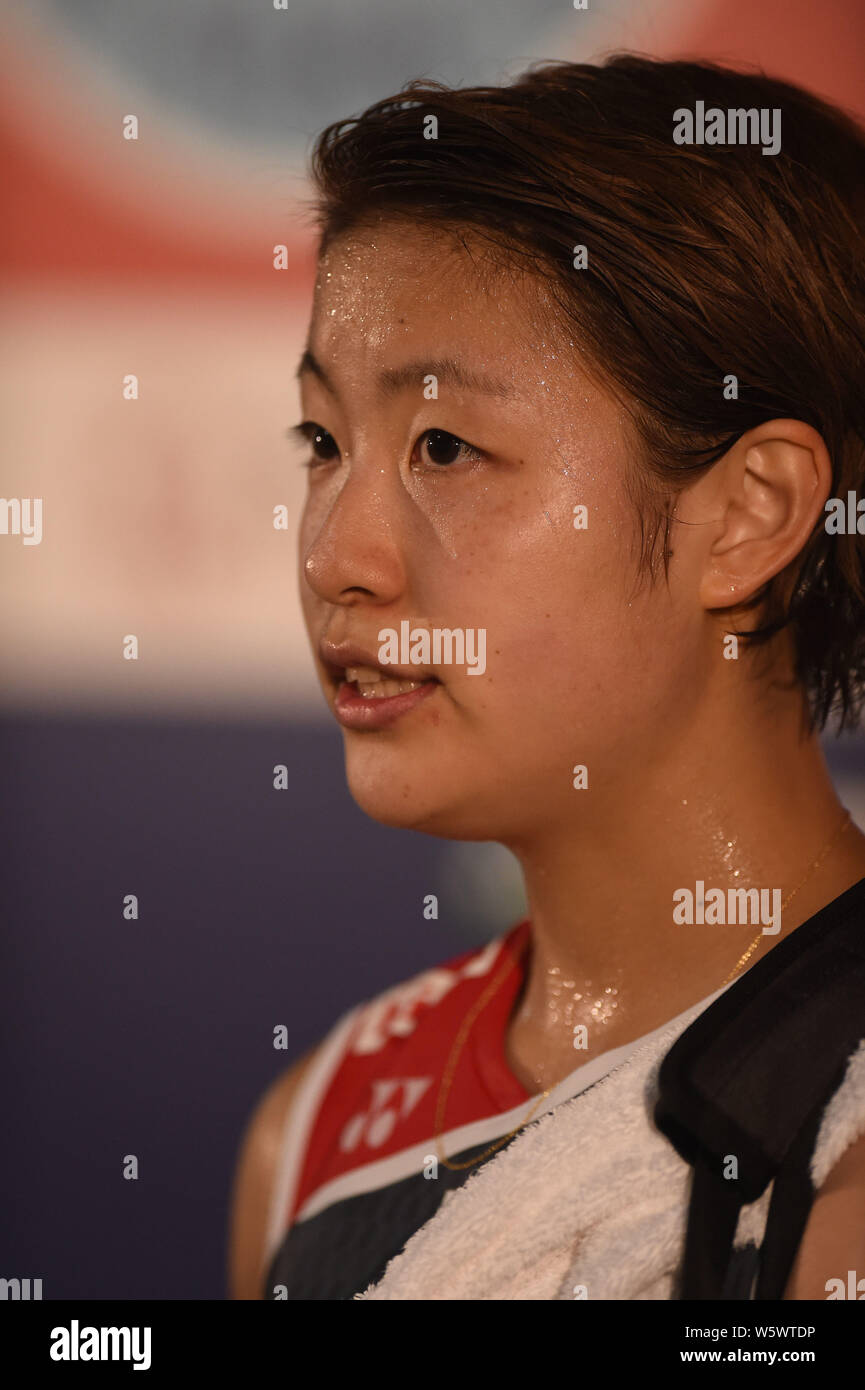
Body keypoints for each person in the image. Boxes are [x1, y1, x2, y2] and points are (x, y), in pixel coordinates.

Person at [229, 54, 865, 1300]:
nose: (335, 556)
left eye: (446, 446)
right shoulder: (312, 1130)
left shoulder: (835, 1182)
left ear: (746, 512)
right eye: (323, 442)